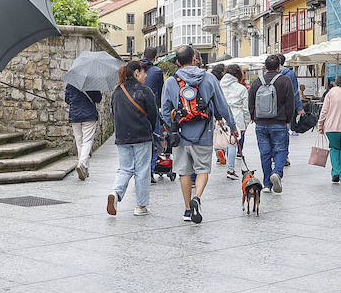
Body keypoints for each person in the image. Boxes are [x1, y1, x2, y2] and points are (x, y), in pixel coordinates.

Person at [161, 46, 236, 224]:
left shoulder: (171, 82)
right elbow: (222, 106)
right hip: (204, 133)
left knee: (184, 172)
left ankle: (187, 210)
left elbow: (164, 111)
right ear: (195, 59)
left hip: (180, 135)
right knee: (202, 169)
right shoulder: (209, 78)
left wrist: (172, 126)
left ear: (177, 62)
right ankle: (198, 197)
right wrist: (231, 126)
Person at [106, 59, 158, 217]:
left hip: (122, 137)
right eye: (143, 72)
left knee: (124, 168)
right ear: (136, 73)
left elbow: (113, 113)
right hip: (141, 135)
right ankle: (140, 206)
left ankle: (115, 193)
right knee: (142, 170)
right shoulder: (144, 91)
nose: (146, 75)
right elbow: (153, 115)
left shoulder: (117, 91)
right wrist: (150, 129)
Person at [249, 54, 295, 194]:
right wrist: (288, 120)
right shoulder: (285, 80)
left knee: (265, 153)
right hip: (279, 122)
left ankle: (267, 184)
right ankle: (277, 173)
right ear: (279, 67)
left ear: (265, 66)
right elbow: (290, 102)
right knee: (280, 150)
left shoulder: (257, 82)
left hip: (261, 123)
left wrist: (254, 117)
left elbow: (251, 102)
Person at [219, 63, 250, 180]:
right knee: (232, 143)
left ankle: (219, 151)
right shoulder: (241, 89)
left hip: (221, 116)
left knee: (223, 139)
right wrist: (245, 124)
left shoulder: (219, 86)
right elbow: (246, 109)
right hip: (236, 116)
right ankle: (230, 169)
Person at [64, 84, 101, 180]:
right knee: (87, 141)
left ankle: (85, 169)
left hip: (75, 115)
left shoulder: (70, 84)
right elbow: (98, 98)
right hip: (89, 115)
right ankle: (82, 164)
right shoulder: (92, 84)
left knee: (79, 142)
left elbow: (67, 99)